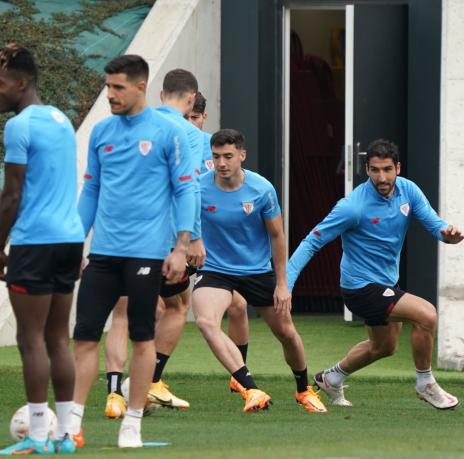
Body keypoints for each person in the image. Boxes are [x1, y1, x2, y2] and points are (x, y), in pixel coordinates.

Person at [69, 54, 196, 448]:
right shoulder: (102, 132)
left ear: (141, 87)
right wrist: (76, 240)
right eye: (108, 87)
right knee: (85, 335)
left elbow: (186, 189)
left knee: (143, 337)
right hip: (103, 254)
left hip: (147, 254)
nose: (110, 94)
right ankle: (72, 423)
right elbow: (90, 190)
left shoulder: (168, 132)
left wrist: (181, 246)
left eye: (118, 87)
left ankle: (133, 422)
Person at [288, 139, 463, 410]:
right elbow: (312, 241)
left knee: (384, 347)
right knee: (427, 315)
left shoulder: (409, 191)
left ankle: (331, 377)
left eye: (387, 169)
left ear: (398, 168)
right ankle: (425, 383)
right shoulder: (352, 206)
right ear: (366, 170)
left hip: (385, 283)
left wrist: (447, 236)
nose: (382, 177)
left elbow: (434, 223)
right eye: (375, 170)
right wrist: (286, 284)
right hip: (359, 288)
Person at [193, 129, 327, 413]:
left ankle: (304, 390)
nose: (221, 163)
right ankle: (250, 387)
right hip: (215, 269)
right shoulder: (198, 187)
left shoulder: (261, 189)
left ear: (242, 155)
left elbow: (277, 236)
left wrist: (282, 284)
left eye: (228, 156)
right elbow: (184, 223)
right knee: (206, 322)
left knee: (287, 333)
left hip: (256, 270)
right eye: (216, 157)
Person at [103, 68, 206, 418]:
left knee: (122, 310)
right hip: (161, 239)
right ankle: (146, 383)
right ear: (191, 99)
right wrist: (193, 238)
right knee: (177, 306)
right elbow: (189, 188)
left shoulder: (129, 125)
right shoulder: (187, 132)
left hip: (118, 235)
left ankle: (114, 393)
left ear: (160, 95)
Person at [0, 44, 84, 455]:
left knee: (30, 340)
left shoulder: (18, 126)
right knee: (58, 340)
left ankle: (37, 435)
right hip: (69, 240)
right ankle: (66, 436)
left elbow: (11, 195)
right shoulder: (61, 119)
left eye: (0, 84)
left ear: (21, 82)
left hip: (35, 242)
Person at [185, 90, 251, 383]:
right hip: (179, 241)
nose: (190, 123)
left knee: (237, 306)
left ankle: (240, 376)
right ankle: (148, 379)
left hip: (210, 248)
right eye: (185, 117)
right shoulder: (170, 142)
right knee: (165, 309)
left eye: (195, 118)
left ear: (203, 117)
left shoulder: (214, 148)